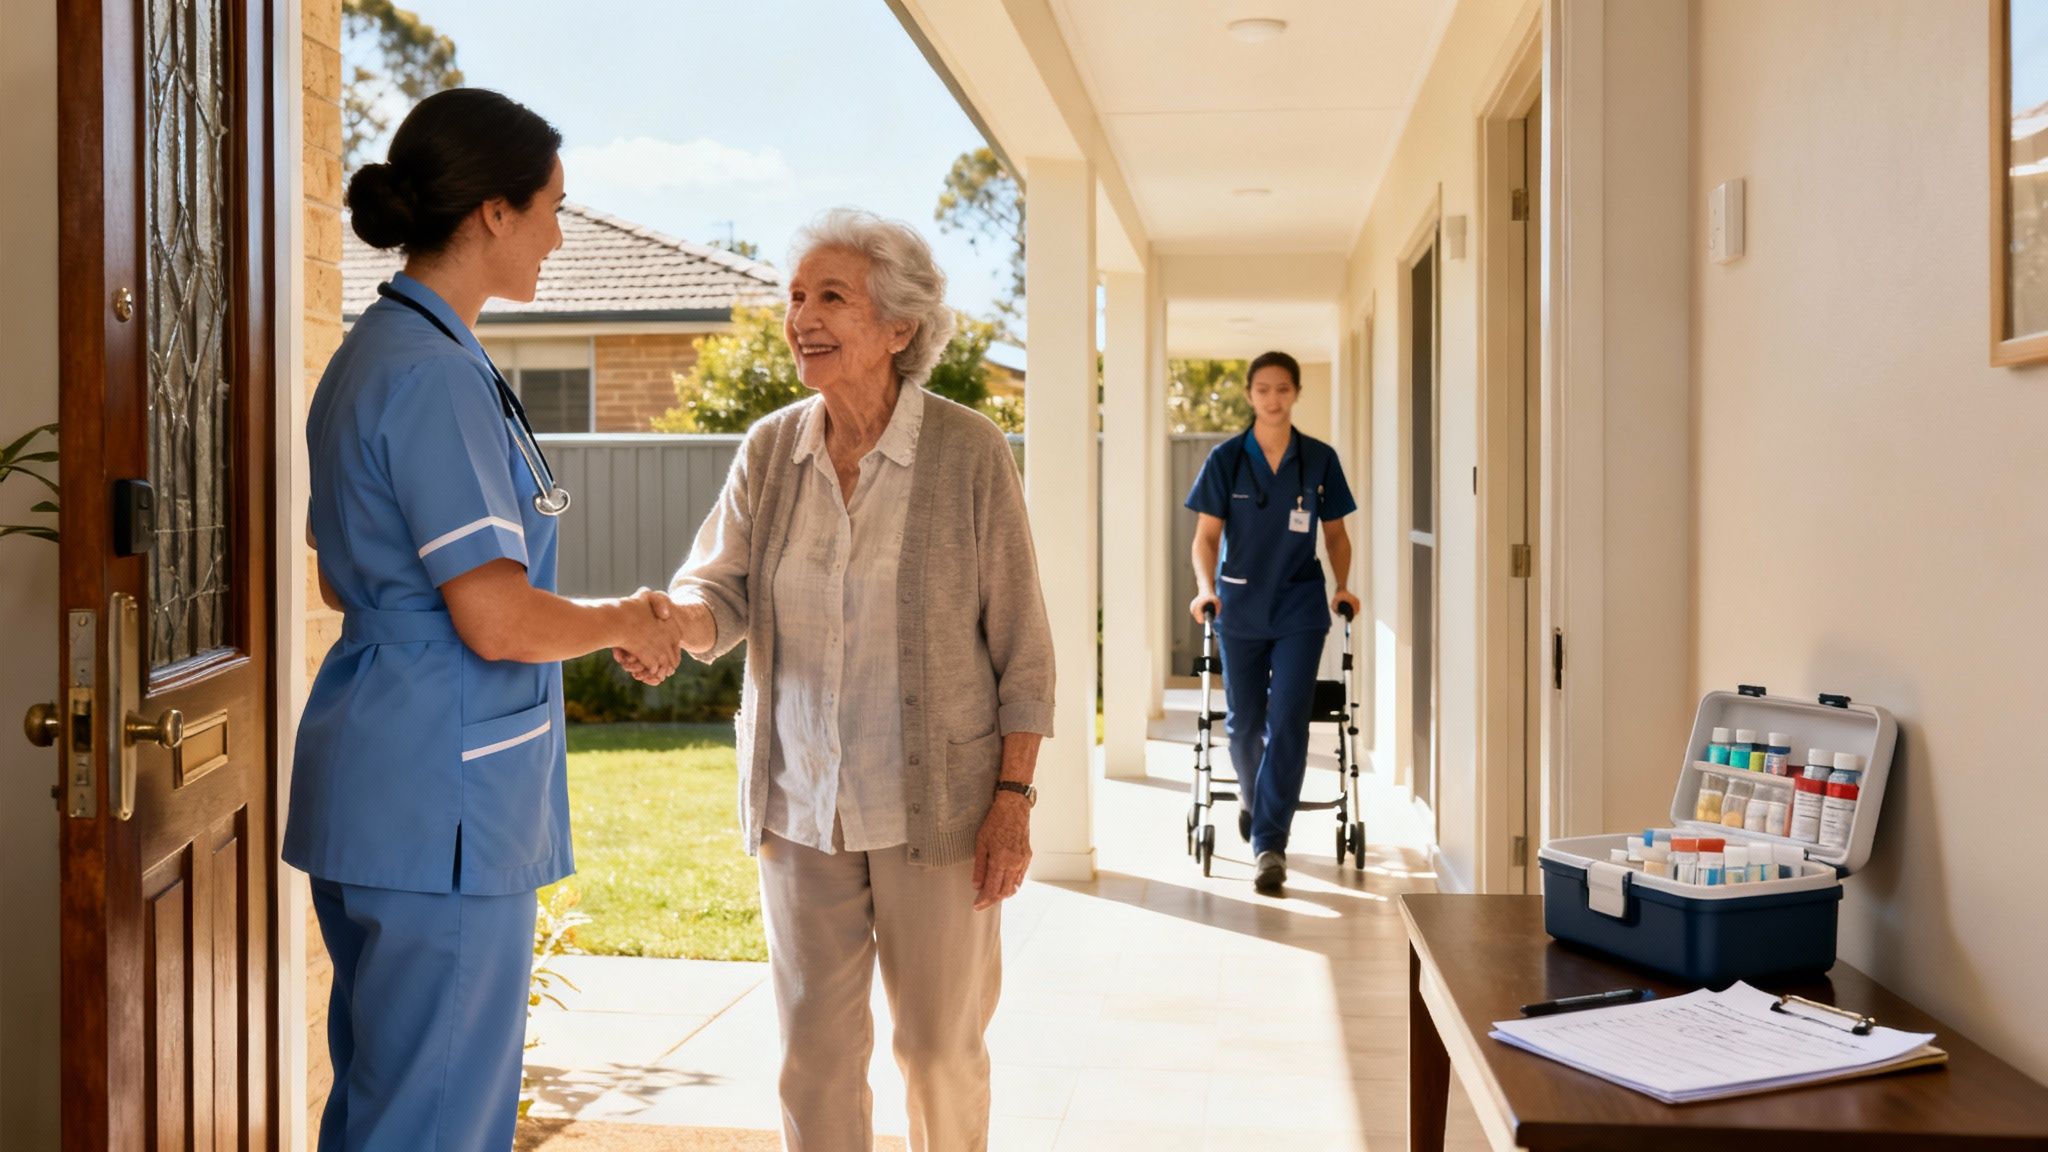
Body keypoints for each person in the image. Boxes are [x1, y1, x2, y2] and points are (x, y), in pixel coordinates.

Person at [283, 89, 686, 1152]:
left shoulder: (378, 353)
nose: (560, 232)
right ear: (494, 214)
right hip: (440, 802)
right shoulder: (433, 377)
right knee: (436, 1119)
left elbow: (344, 583)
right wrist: (624, 619)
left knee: (387, 1101)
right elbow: (497, 621)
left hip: (385, 780)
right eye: (551, 205)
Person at [632, 208, 1055, 1152]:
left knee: (940, 1051)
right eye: (794, 297)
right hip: (800, 802)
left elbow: (1023, 644)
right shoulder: (771, 449)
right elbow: (722, 589)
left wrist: (1013, 801)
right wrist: (676, 624)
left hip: (937, 811)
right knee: (813, 1055)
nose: (801, 318)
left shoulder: (970, 452)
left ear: (899, 329)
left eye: (832, 297)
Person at [1186, 350, 1359, 894]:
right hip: (1238, 606)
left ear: (1295, 393)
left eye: (1282, 388)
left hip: (1300, 609)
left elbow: (1334, 534)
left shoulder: (1319, 459)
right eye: (1262, 389)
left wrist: (1342, 585)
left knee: (1288, 721)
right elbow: (1207, 537)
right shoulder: (1227, 459)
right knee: (1243, 726)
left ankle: (1269, 844)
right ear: (1249, 394)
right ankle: (1251, 795)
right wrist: (1204, 589)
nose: (1272, 398)